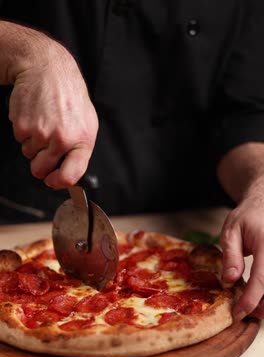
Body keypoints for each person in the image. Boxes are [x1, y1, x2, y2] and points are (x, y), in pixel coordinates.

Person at [0, 0, 263, 321]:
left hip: (184, 216)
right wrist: (27, 52)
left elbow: (243, 114)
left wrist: (260, 185)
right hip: (21, 211)